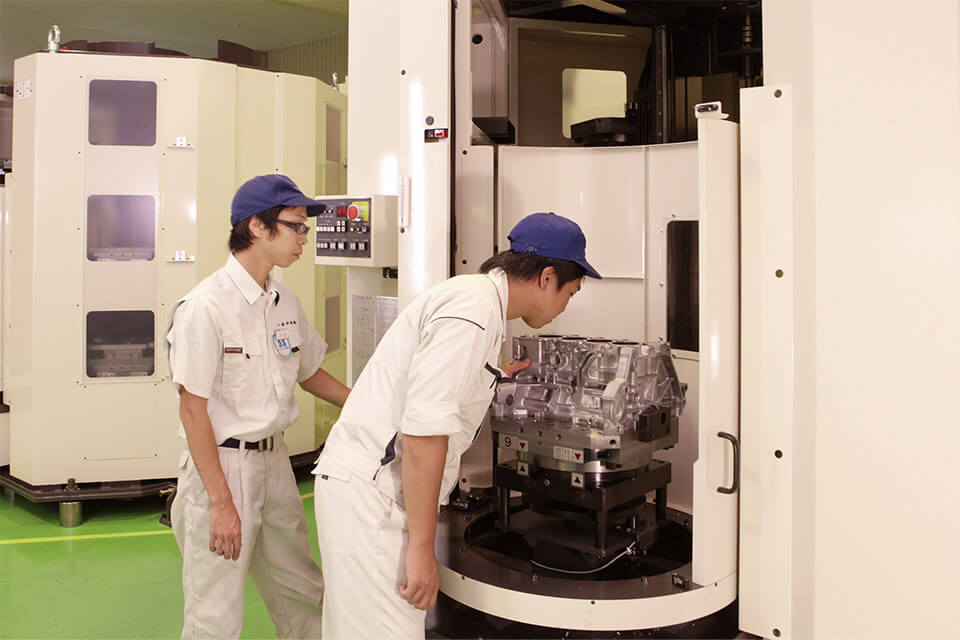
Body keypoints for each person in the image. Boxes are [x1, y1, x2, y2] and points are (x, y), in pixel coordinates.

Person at [313, 212, 601, 639]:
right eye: (570, 293)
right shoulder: (473, 314)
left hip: (367, 488)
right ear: (546, 278)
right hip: (372, 502)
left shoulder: (476, 302)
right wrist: (421, 549)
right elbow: (424, 434)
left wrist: (493, 376)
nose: (564, 307)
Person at [167, 174, 350, 639]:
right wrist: (221, 502)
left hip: (275, 464)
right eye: (296, 226)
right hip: (223, 467)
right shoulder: (206, 307)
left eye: (306, 228)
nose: (304, 237)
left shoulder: (283, 301)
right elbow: (192, 411)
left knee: (302, 592)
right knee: (215, 612)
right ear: (257, 226)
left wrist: (367, 405)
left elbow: (309, 371)